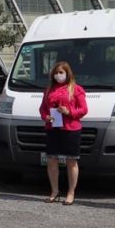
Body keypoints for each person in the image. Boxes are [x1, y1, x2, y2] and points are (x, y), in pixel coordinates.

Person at [38, 61, 88, 205]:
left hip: (71, 129)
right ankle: (54, 191)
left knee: (71, 161)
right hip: (52, 128)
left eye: (61, 72)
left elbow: (84, 109)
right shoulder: (48, 90)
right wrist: (46, 117)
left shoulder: (76, 89)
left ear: (67, 73)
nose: (58, 75)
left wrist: (69, 112)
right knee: (51, 160)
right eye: (56, 73)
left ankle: (71, 192)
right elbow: (43, 108)